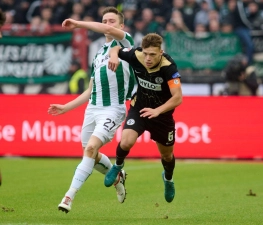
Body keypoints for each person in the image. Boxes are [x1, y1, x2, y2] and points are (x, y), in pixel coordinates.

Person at [48, 6, 136, 213]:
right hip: (92, 109)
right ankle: (118, 175)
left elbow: (100, 28)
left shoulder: (126, 42)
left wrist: (78, 24)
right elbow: (90, 90)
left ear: (121, 25)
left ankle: (69, 196)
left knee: (89, 150)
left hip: (113, 109)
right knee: (91, 153)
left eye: (111, 21)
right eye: (104, 20)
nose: (107, 24)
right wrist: (66, 107)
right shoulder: (98, 53)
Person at [105, 33, 183, 203]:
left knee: (167, 156)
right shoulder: (136, 55)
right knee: (126, 142)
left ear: (160, 52)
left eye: (153, 55)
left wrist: (158, 111)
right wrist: (113, 57)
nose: (148, 58)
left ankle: (168, 179)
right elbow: (115, 48)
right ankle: (117, 166)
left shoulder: (169, 67)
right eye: (146, 53)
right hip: (139, 108)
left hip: (162, 116)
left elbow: (178, 97)